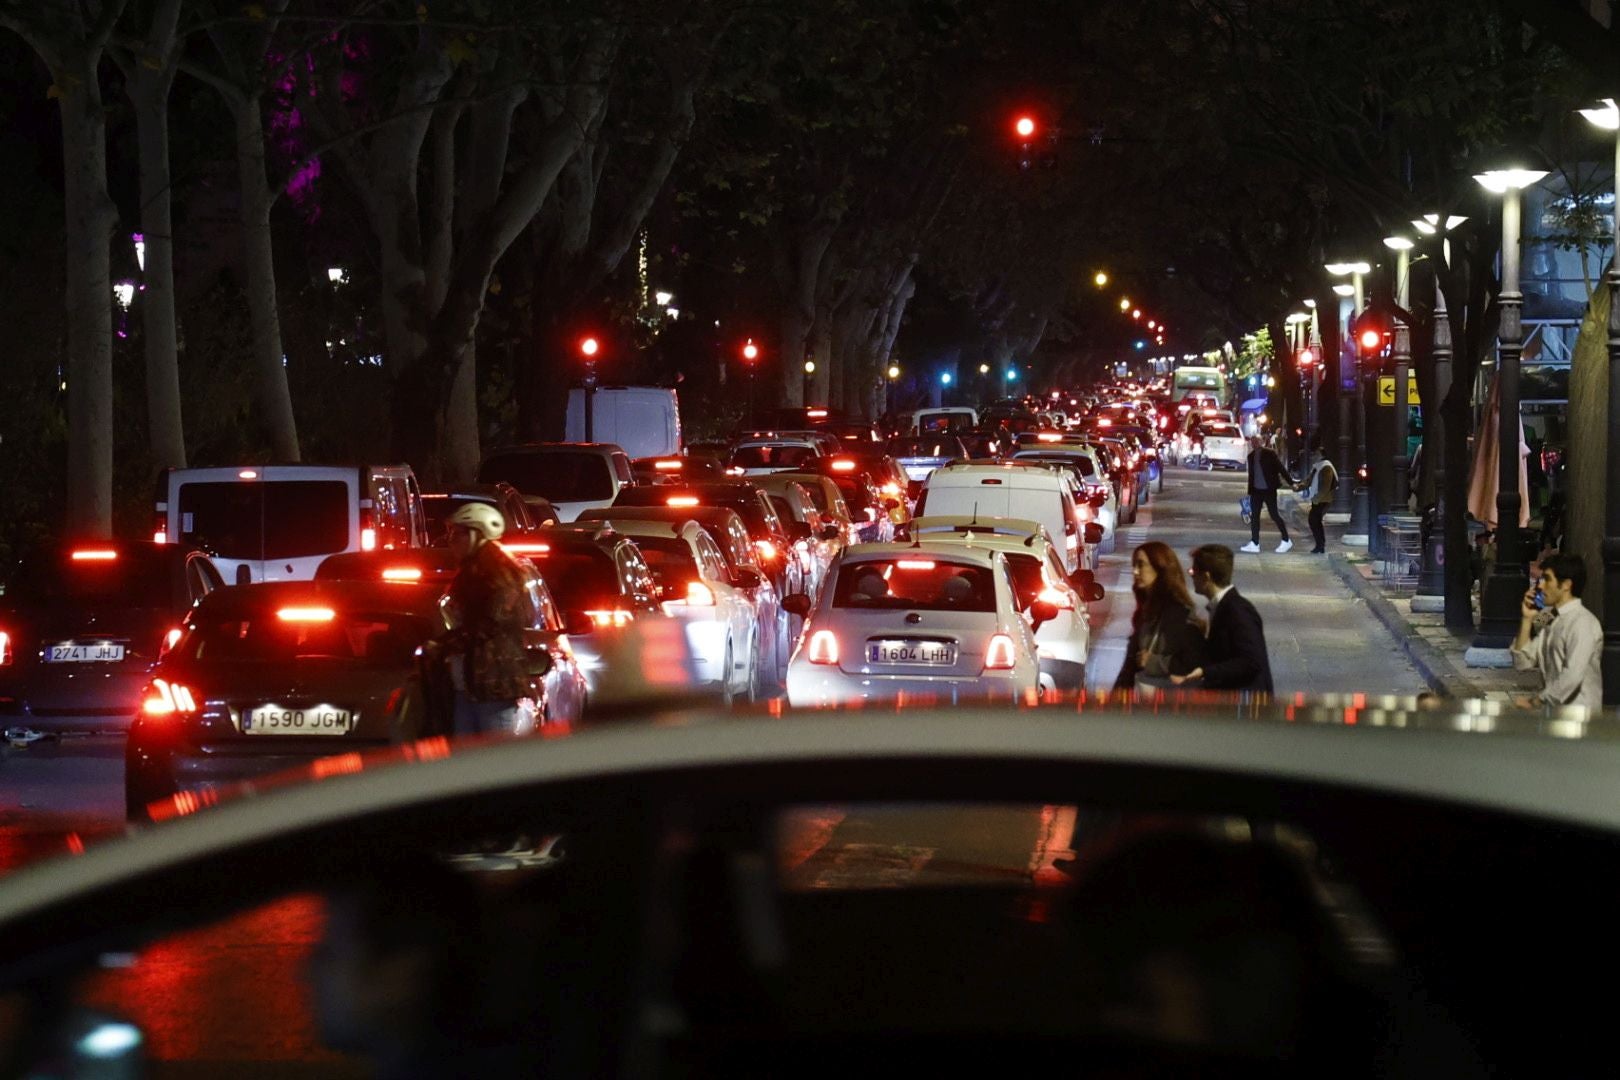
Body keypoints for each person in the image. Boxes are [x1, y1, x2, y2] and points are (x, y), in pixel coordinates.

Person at [442, 503, 532, 736]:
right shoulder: (468, 574)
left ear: (477, 534)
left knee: (493, 762)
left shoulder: (501, 575)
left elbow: (489, 622)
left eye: (457, 534)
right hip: (467, 687)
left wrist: (444, 644)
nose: (451, 540)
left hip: (493, 688)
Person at [1171, 544, 1273, 695]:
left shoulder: (1237, 610)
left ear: (1206, 577)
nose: (1191, 575)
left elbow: (1251, 661)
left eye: (1193, 571)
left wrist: (1205, 671)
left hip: (1246, 705)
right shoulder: (1224, 606)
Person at [1113, 541, 1206, 695]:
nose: (1135, 571)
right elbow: (1130, 665)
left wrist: (1153, 662)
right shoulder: (1147, 610)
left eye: (1141, 565)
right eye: (1134, 565)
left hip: (1168, 706)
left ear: (1160, 568)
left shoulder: (1176, 613)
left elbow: (1194, 660)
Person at [1511, 553, 1602, 710]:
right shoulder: (1549, 616)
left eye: (1547, 579)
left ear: (1566, 584)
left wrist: (1536, 702)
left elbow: (1572, 676)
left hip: (1578, 716)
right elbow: (1523, 662)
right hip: (1554, 714)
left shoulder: (1583, 622)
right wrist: (1527, 619)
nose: (1540, 586)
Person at [1240, 434, 1294, 554]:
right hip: (1256, 491)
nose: (1254, 444)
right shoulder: (1251, 456)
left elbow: (1280, 468)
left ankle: (1286, 539)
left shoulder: (1269, 453)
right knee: (1254, 516)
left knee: (1274, 514)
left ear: (1261, 442)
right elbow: (1251, 476)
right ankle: (1255, 543)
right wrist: (1250, 492)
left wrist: (1291, 483)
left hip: (1269, 490)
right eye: (1252, 442)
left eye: (1256, 441)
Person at [1299, 440, 1339, 554]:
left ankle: (1320, 545)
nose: (1313, 456)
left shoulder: (1326, 467)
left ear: (1321, 455)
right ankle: (1320, 545)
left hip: (1323, 499)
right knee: (1315, 521)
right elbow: (1309, 481)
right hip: (1319, 499)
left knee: (1314, 520)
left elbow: (1325, 486)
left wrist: (1316, 499)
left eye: (1316, 454)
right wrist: (1298, 487)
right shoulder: (1318, 467)